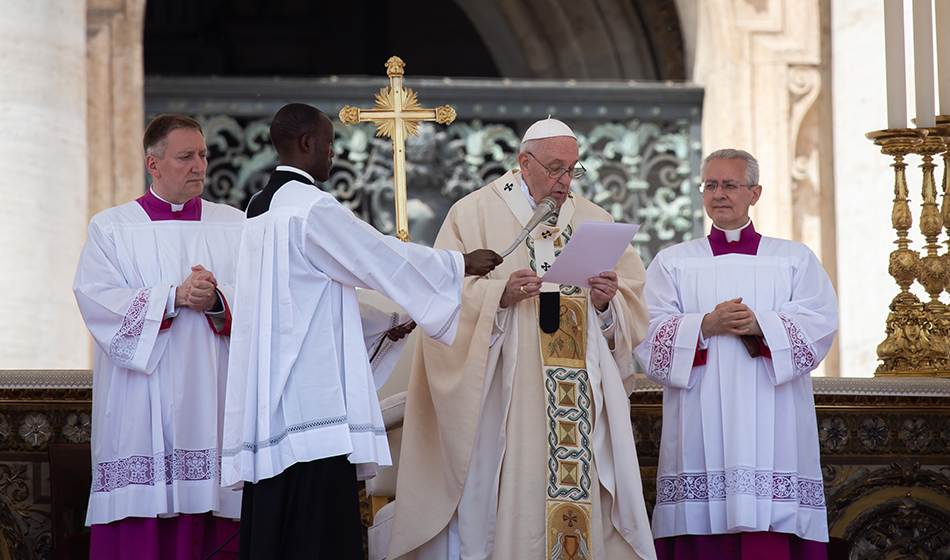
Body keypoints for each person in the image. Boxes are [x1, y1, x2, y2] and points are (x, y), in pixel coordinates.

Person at [220, 103, 501, 560]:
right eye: (329, 144)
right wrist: (457, 264)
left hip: (271, 393)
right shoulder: (311, 207)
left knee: (279, 525)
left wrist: (385, 323)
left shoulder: (258, 206)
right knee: (317, 529)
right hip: (311, 401)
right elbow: (375, 256)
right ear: (308, 143)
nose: (333, 155)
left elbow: (304, 299)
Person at [389, 117, 657, 560]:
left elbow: (631, 307)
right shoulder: (472, 213)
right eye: (555, 168)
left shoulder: (595, 219)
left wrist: (608, 303)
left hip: (580, 399)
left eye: (573, 170)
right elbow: (439, 300)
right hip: (506, 400)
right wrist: (499, 294)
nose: (565, 180)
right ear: (523, 162)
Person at [633, 149, 838, 559]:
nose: (718, 194)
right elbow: (645, 334)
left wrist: (760, 324)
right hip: (699, 414)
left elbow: (820, 325)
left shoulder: (793, 259)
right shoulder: (673, 262)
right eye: (710, 185)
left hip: (773, 416)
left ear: (755, 193)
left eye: (730, 185)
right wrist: (705, 325)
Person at [74, 114, 244, 559]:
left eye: (203, 155)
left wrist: (218, 301)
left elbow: (266, 303)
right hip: (142, 400)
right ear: (153, 163)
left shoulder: (236, 225)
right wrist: (172, 297)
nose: (199, 166)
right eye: (185, 156)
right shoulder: (112, 227)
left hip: (216, 395)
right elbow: (96, 300)